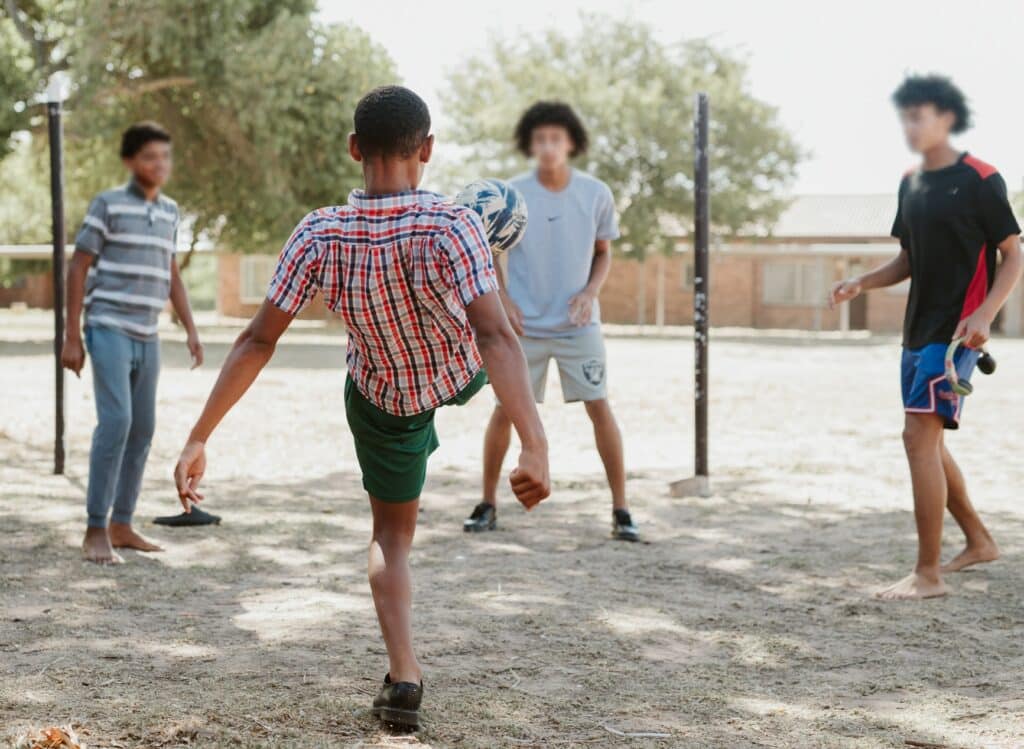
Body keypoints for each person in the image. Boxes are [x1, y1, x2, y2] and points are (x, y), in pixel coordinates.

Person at [171, 86, 550, 729]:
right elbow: (494, 337)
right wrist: (533, 440)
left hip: (384, 398)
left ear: (354, 150)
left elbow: (256, 339)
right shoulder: (453, 224)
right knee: (494, 323)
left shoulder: (320, 231)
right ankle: (490, 270)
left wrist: (198, 436)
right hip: (460, 370)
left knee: (391, 539)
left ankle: (405, 677)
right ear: (427, 150)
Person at [829, 74, 1022, 600]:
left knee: (917, 438)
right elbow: (909, 259)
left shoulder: (982, 178)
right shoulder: (910, 182)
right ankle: (979, 541)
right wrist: (862, 281)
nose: (910, 126)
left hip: (958, 334)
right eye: (905, 117)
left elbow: (1014, 253)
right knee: (927, 441)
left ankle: (928, 574)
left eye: (920, 115)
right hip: (916, 333)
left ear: (948, 118)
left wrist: (986, 313)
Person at [463, 101, 638, 541]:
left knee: (599, 406)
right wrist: (503, 298)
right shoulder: (510, 194)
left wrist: (589, 292)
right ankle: (487, 503)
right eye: (539, 139)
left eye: (555, 138)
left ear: (571, 143)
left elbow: (603, 252)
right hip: (524, 329)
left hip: (578, 325)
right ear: (530, 144)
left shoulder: (596, 193)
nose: (547, 146)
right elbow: (491, 250)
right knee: (504, 411)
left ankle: (621, 510)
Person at [63, 121, 204, 565]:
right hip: (107, 326)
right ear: (129, 162)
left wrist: (191, 328)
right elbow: (78, 267)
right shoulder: (107, 205)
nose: (159, 165)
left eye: (165, 156)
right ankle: (94, 527)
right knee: (117, 422)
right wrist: (71, 337)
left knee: (142, 428)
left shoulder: (169, 212)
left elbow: (172, 273)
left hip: (148, 333)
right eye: (149, 157)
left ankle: (122, 524)